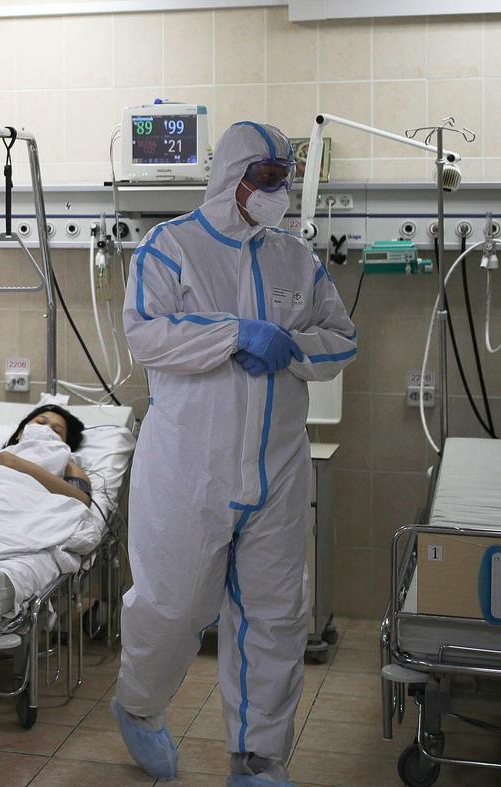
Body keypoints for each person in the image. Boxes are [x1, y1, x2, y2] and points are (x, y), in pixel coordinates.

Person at [112, 121, 356, 787]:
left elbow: (342, 337)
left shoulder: (297, 260)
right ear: (231, 177)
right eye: (267, 178)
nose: (278, 191)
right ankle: (138, 705)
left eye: (285, 179)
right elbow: (147, 334)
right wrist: (234, 334)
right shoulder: (170, 249)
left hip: (276, 469)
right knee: (170, 610)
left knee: (275, 618)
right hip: (188, 470)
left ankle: (257, 759)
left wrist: (291, 346)